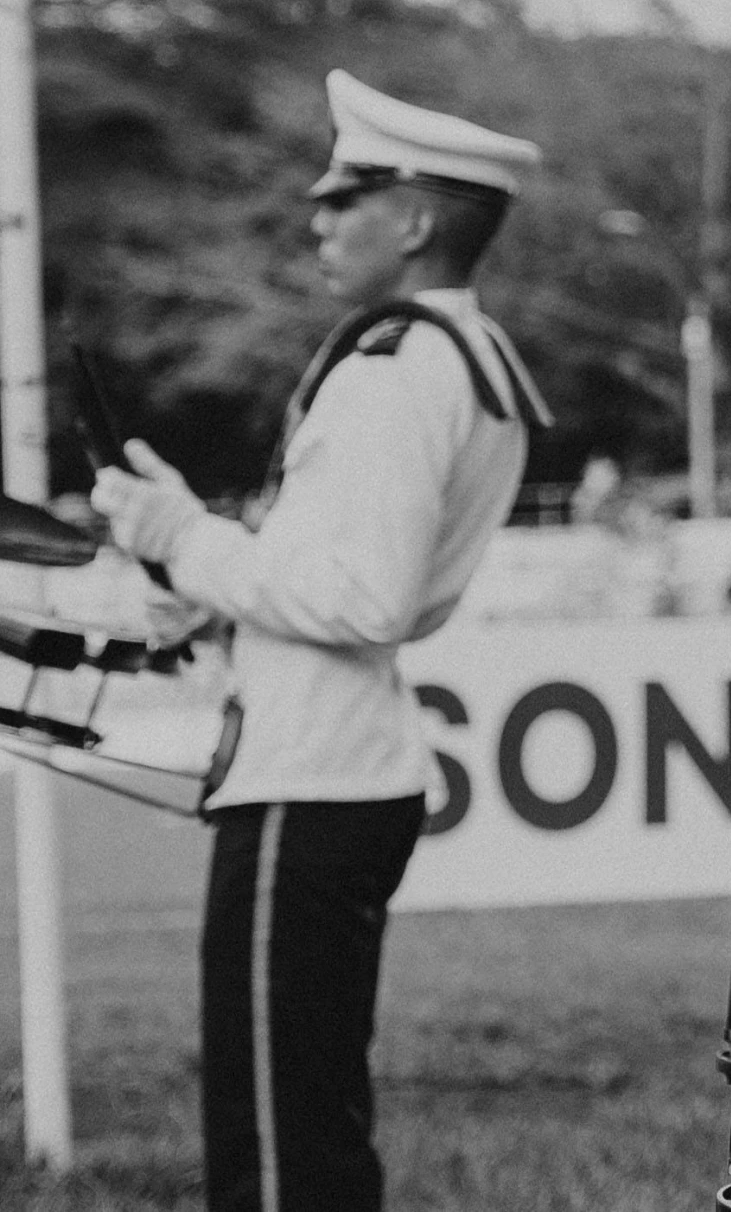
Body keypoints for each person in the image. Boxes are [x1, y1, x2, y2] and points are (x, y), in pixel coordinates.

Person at [93, 69, 550, 1212]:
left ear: (415, 219)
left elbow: (366, 598)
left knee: (281, 1152)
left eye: (347, 197)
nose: (319, 219)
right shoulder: (461, 357)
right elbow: (356, 580)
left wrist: (187, 539)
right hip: (333, 767)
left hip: (312, 779)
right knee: (301, 1125)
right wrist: (204, 573)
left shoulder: (395, 373)